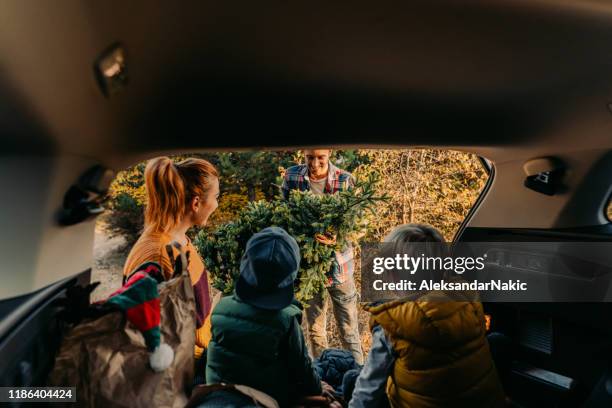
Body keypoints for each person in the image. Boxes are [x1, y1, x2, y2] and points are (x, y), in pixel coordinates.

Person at [349, 224, 506, 408]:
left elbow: (367, 393)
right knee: (498, 341)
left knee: (350, 379)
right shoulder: (467, 300)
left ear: (391, 274)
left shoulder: (393, 324)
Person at [205, 227, 329, 407]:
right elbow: (302, 371)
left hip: (218, 392)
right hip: (262, 398)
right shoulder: (285, 320)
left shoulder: (220, 308)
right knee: (333, 365)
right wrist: (319, 389)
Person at [123, 156, 219, 366]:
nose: (217, 204)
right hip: (183, 367)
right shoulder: (157, 257)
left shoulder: (178, 241)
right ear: (196, 203)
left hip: (196, 355)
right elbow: (150, 338)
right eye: (216, 197)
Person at [281, 149, 364, 365]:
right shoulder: (292, 177)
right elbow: (283, 214)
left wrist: (339, 233)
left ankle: (357, 378)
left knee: (349, 331)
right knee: (316, 331)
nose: (315, 163)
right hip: (309, 269)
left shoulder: (345, 181)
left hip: (340, 267)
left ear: (329, 154)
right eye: (310, 157)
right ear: (304, 154)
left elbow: (359, 223)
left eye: (321, 158)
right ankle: (323, 379)